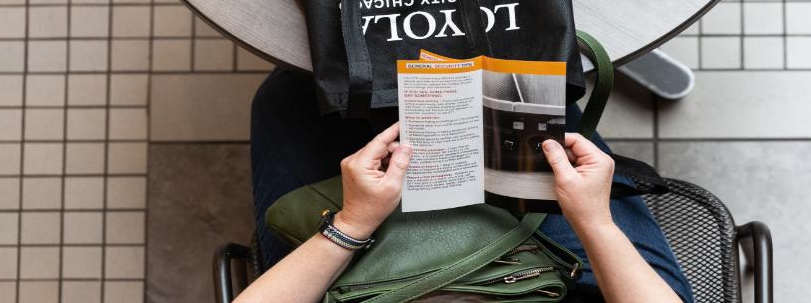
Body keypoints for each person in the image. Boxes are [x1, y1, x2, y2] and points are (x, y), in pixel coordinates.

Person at [239, 69, 694, 303]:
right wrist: (595, 223)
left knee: (290, 95)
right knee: (526, 94)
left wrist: (352, 224)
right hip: (569, 287)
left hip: (372, 284)